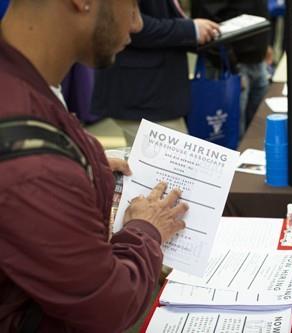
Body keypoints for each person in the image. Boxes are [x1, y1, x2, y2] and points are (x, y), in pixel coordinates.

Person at [0, 1, 188, 332]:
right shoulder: (34, 161)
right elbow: (108, 307)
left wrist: (88, 166)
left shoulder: (24, 85)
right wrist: (146, 229)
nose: (135, 23)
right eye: (131, 3)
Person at [91, 0, 220, 145]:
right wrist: (191, 29)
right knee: (172, 163)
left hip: (154, 90)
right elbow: (133, 25)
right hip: (141, 91)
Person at [191, 0, 272, 137]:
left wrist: (264, 45)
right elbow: (207, 22)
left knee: (259, 134)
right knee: (234, 136)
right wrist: (232, 67)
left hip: (257, 62)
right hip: (231, 68)